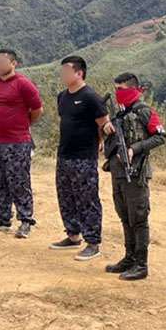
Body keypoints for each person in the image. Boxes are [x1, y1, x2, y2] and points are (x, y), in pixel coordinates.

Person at [102, 73, 166, 280]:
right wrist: (106, 129)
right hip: (118, 172)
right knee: (125, 216)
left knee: (138, 217)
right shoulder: (120, 114)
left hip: (136, 172)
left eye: (121, 89)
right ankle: (129, 257)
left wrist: (135, 148)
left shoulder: (144, 111)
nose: (118, 93)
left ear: (133, 89)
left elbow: (160, 136)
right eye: (116, 89)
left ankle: (141, 263)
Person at [50, 56, 109, 261]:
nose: (63, 75)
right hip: (64, 154)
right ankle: (72, 235)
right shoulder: (62, 97)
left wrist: (98, 143)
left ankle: (93, 242)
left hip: (84, 156)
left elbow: (104, 124)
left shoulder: (91, 97)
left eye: (66, 71)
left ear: (79, 73)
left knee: (87, 198)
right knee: (66, 196)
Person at [0, 49, 43, 238]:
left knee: (18, 180)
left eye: (2, 61)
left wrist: (23, 125)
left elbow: (37, 110)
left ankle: (25, 220)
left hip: (18, 141)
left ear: (13, 64)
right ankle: (2, 218)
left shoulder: (24, 84)